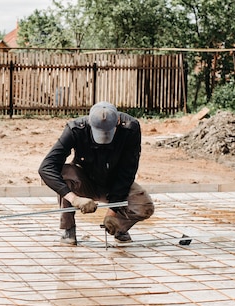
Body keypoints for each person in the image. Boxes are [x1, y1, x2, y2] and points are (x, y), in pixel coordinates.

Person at [38, 101, 155, 245]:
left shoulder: (130, 129)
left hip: (114, 182)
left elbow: (127, 171)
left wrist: (113, 209)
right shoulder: (75, 130)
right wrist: (74, 199)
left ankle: (118, 227)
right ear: (90, 123)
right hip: (84, 181)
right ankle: (68, 229)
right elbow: (46, 167)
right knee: (64, 173)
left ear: (117, 122)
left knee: (145, 206)